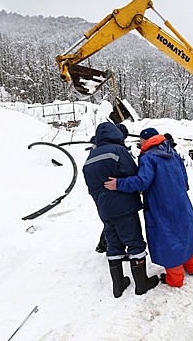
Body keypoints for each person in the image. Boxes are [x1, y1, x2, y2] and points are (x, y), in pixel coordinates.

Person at [105, 127, 193, 288]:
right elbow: (184, 176)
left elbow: (142, 181)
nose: (139, 143)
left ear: (146, 140)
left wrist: (119, 183)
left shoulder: (148, 157)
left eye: (141, 140)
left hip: (161, 204)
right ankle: (192, 267)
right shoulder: (171, 151)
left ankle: (175, 280)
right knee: (185, 232)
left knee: (168, 238)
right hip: (180, 200)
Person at [83, 122, 159, 298]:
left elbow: (90, 187)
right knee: (134, 243)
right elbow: (133, 173)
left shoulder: (90, 157)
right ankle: (142, 283)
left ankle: (118, 285)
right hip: (123, 207)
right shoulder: (117, 151)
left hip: (104, 209)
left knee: (114, 244)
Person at [94, 123, 131, 254]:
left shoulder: (98, 147)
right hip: (114, 192)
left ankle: (105, 245)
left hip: (101, 196)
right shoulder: (116, 150)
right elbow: (130, 171)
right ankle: (105, 244)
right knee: (118, 223)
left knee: (109, 222)